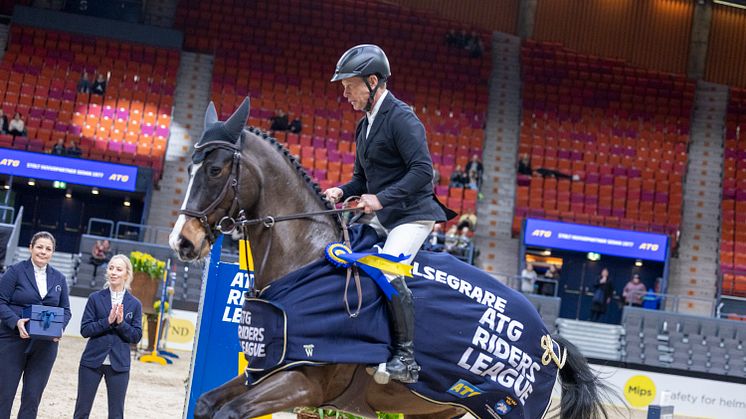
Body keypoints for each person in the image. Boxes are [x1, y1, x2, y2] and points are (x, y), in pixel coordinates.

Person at [323, 44, 453, 384]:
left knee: (388, 269)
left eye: (349, 86)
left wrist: (379, 200)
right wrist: (342, 190)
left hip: (412, 214)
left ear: (372, 81)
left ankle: (406, 358)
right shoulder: (364, 125)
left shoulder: (401, 117)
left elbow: (423, 172)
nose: (345, 93)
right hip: (386, 214)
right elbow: (360, 180)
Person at [0, 231, 72, 419]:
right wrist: (15, 322)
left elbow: (66, 310)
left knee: (32, 398)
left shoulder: (59, 278)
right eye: (39, 247)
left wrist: (60, 328)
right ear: (31, 248)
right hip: (12, 341)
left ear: (53, 252)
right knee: (4, 395)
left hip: (45, 346)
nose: (43, 251)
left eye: (48, 249)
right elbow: (0, 301)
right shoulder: (15, 271)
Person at [73, 254, 142, 419]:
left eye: (119, 269)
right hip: (91, 362)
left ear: (127, 274)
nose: (114, 272)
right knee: (82, 411)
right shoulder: (95, 299)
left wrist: (120, 323)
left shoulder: (135, 304)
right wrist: (107, 321)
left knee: (116, 414)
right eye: (111, 268)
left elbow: (136, 336)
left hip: (119, 365)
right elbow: (85, 330)